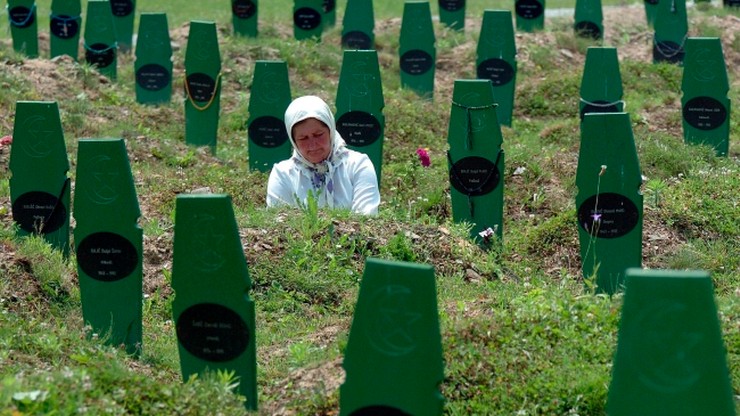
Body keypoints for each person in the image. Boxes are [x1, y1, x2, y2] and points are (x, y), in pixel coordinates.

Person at [266, 95, 380, 215]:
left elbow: (366, 218)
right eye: (303, 138)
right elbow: (279, 223)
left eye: (318, 134)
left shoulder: (358, 165)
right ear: (293, 141)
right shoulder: (283, 174)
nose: (312, 145)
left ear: (331, 130)